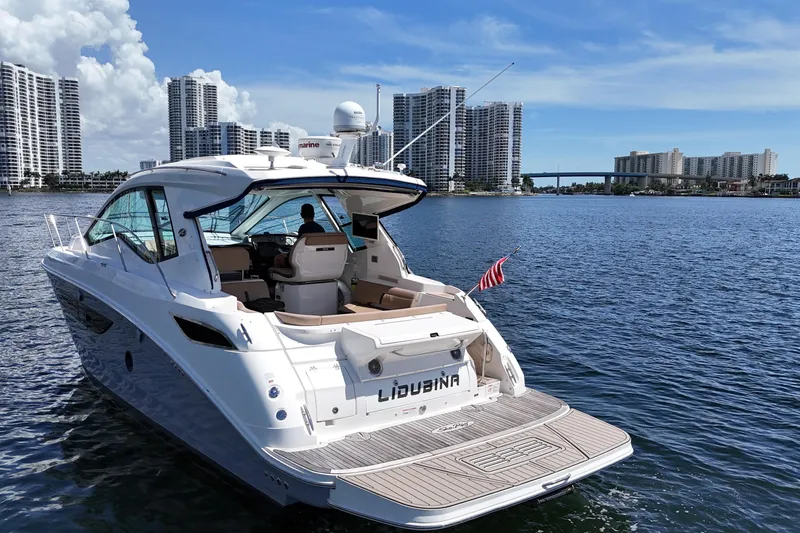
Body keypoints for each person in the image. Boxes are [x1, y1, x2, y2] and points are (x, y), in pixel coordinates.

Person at [273, 203, 324, 268]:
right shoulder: (320, 228)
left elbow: (298, 248)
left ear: (301, 215)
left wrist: (288, 254)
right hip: (316, 259)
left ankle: (285, 275)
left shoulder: (303, 228)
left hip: (303, 260)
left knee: (278, 258)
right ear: (313, 214)